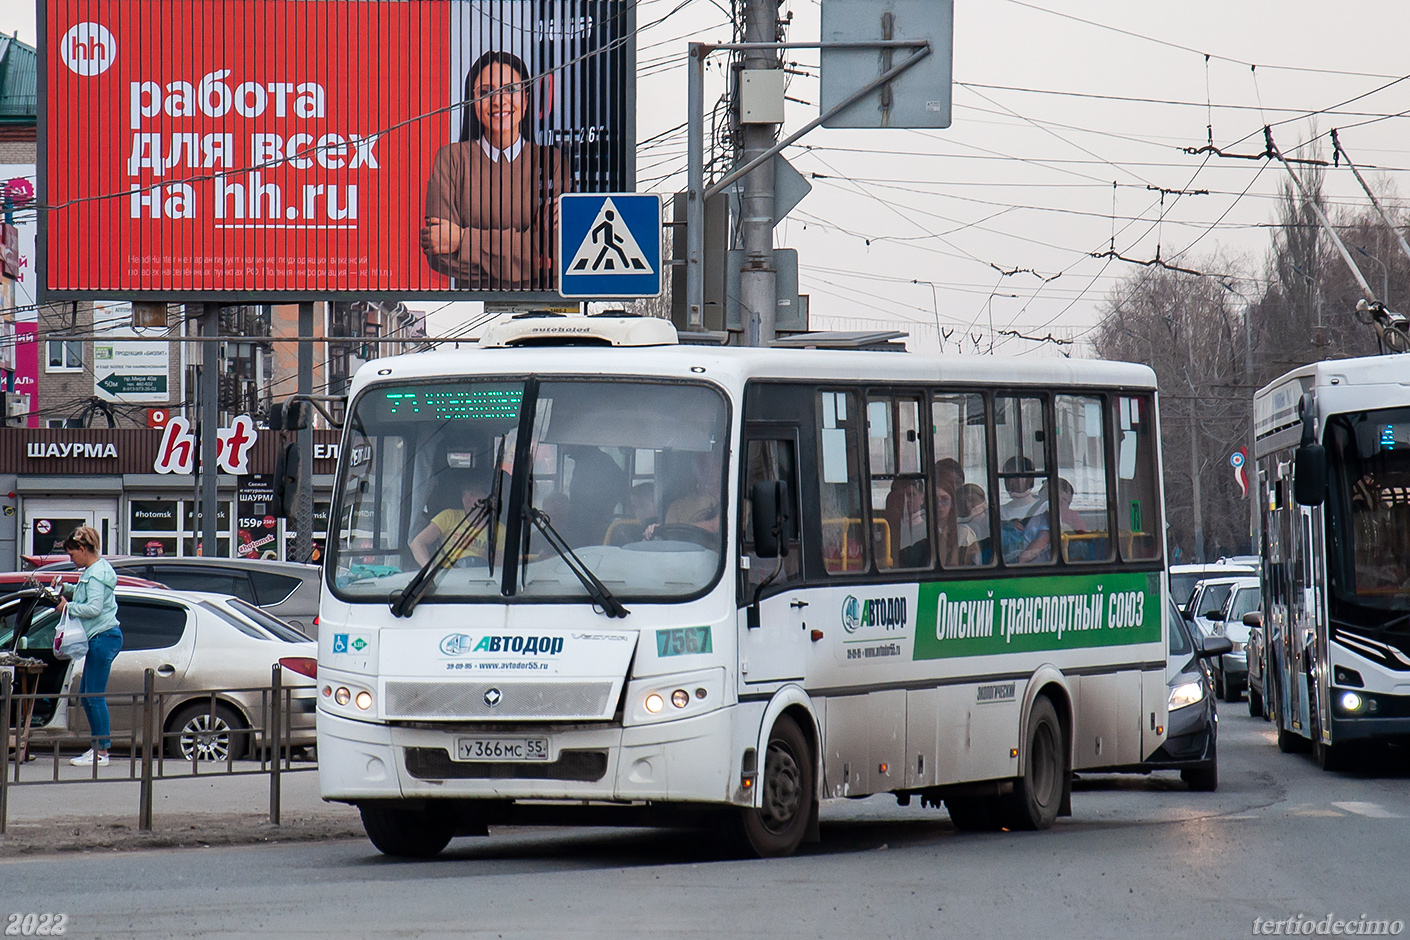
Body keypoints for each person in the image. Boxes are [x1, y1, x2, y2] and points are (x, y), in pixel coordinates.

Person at [421, 51, 573, 290]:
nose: (498, 100)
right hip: (470, 308)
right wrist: (530, 250)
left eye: (510, 89)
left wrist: (462, 240)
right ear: (472, 102)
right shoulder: (450, 159)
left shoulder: (551, 162)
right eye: (485, 92)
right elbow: (439, 256)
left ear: (525, 100)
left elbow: (559, 253)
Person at [51, 526, 121, 767]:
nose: (71, 559)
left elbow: (94, 608)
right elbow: (88, 597)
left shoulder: (96, 573)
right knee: (89, 695)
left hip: (103, 637)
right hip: (102, 637)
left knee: (94, 696)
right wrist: (67, 590)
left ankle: (101, 752)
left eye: (72, 554)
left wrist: (67, 607)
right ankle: (98, 748)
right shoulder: (95, 570)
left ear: (82, 549)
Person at [409, 470, 493, 566]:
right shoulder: (449, 516)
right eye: (464, 494)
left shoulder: (498, 530)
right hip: (446, 579)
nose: (466, 500)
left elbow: (498, 568)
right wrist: (429, 570)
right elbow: (417, 543)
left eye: (472, 495)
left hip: (477, 579)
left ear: (487, 497)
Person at [649, 451, 722, 539]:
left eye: (715, 465)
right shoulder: (676, 508)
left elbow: (716, 526)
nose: (710, 471)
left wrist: (677, 528)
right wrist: (654, 530)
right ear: (695, 471)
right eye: (704, 465)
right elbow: (670, 540)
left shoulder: (731, 502)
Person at [959, 482, 992, 563]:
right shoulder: (961, 530)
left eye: (972, 500)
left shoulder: (997, 526)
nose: (968, 505)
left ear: (983, 500)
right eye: (963, 503)